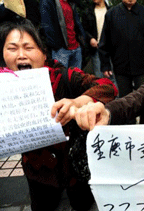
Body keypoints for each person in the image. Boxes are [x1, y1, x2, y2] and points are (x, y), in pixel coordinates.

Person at [0, 20, 118, 211]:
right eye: (12, 48)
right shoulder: (3, 87)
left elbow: (107, 86)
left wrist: (77, 102)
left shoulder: (63, 76)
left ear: (43, 53)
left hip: (75, 170)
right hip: (37, 172)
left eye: (28, 47)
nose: (21, 55)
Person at [98, 0, 144, 98]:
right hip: (120, 65)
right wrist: (105, 65)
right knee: (124, 100)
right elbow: (105, 41)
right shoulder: (111, 14)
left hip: (142, 65)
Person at [40, 0, 86, 69]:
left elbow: (76, 23)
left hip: (76, 48)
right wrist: (57, 46)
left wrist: (80, 41)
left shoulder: (70, 2)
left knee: (77, 78)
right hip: (61, 51)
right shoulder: (48, 2)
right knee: (61, 78)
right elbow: (47, 26)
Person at [82, 0, 109, 78]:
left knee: (112, 77)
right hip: (97, 48)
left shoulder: (111, 11)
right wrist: (90, 39)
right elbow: (84, 30)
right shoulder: (88, 12)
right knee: (99, 77)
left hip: (111, 49)